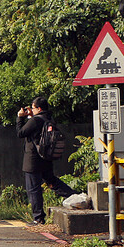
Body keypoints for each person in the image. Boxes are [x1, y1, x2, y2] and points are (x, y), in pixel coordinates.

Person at [17, 96, 76, 225]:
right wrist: (30, 116)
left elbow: (21, 133)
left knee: (33, 189)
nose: (31, 110)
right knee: (52, 181)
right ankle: (74, 196)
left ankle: (38, 217)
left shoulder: (35, 121)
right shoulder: (49, 119)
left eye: (32, 108)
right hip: (46, 158)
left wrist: (20, 117)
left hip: (33, 160)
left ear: (38, 108)